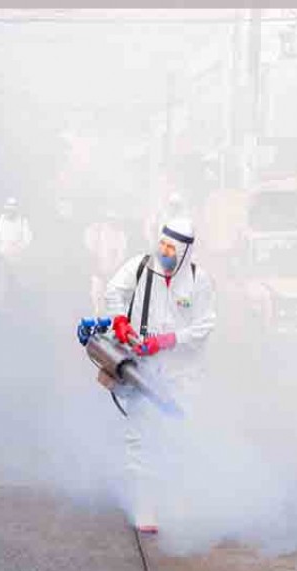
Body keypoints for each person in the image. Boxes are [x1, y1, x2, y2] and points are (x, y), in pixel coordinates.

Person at [104, 216, 216, 534]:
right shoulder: (139, 267)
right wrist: (120, 323)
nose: (165, 252)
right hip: (143, 369)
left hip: (182, 373)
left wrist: (169, 340)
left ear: (185, 252)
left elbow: (204, 325)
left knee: (179, 434)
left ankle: (178, 500)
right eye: (163, 245)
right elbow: (114, 294)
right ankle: (145, 504)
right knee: (140, 436)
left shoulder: (198, 280)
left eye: (172, 248)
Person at [0, 197, 33, 312]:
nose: (10, 208)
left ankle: (19, 307)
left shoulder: (22, 221)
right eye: (8, 205)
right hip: (1, 256)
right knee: (1, 283)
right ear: (4, 206)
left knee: (18, 283)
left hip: (17, 258)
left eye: (13, 206)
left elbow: (28, 238)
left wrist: (20, 248)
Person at [83, 208, 128, 315]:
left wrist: (113, 272)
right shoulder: (95, 231)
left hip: (113, 275)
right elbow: (90, 250)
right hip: (98, 273)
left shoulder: (120, 235)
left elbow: (121, 256)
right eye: (108, 219)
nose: (110, 222)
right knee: (98, 302)